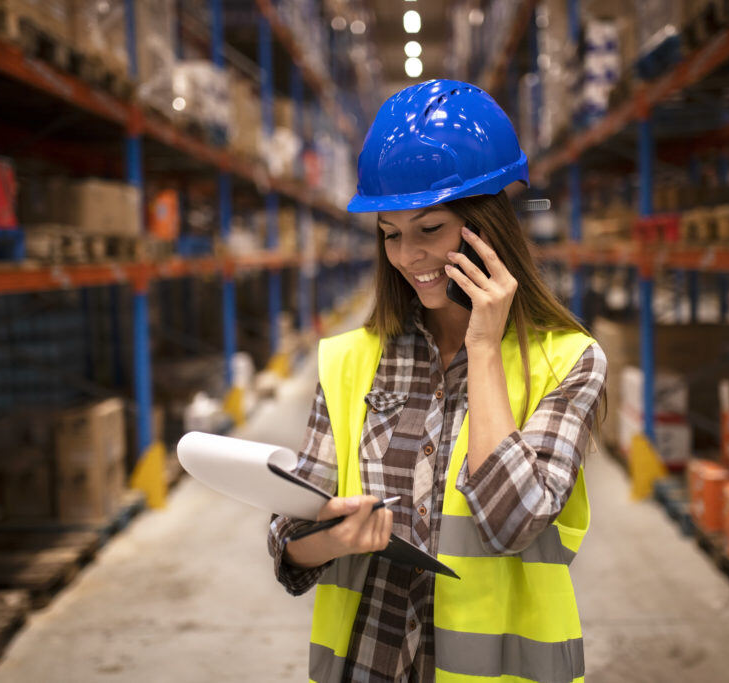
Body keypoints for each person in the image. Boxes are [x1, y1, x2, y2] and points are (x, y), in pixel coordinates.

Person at [267, 79, 606, 683]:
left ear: (488, 227)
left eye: (431, 230)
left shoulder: (569, 361)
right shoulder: (351, 359)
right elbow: (289, 541)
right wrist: (333, 539)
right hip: (368, 663)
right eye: (391, 234)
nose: (408, 257)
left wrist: (482, 346)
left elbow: (513, 522)